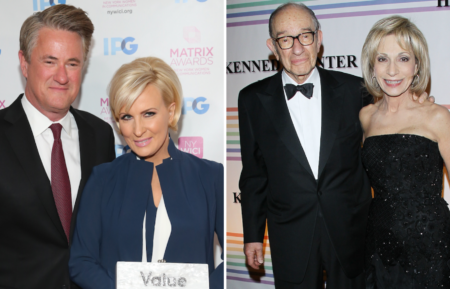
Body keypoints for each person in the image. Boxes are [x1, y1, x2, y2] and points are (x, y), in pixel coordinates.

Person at [238, 3, 431, 289]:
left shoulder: (357, 91)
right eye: (285, 39)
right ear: (273, 46)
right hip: (290, 235)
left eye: (305, 36)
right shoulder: (252, 99)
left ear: (319, 38)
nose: (298, 48)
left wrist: (420, 103)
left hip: (350, 232)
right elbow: (254, 175)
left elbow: (391, 125)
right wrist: (253, 235)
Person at [69, 56, 224, 289]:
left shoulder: (210, 176)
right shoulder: (102, 179)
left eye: (148, 114)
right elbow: (81, 261)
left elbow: (234, 257)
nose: (138, 130)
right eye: (127, 117)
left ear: (170, 112)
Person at [0, 5, 116, 289]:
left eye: (73, 63)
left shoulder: (101, 135)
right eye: (50, 61)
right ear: (24, 63)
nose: (62, 77)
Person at [359, 16, 450, 288]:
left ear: (417, 65)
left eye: (403, 58)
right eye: (382, 58)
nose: (392, 70)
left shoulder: (437, 117)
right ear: (372, 66)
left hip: (430, 246)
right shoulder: (366, 116)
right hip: (379, 242)